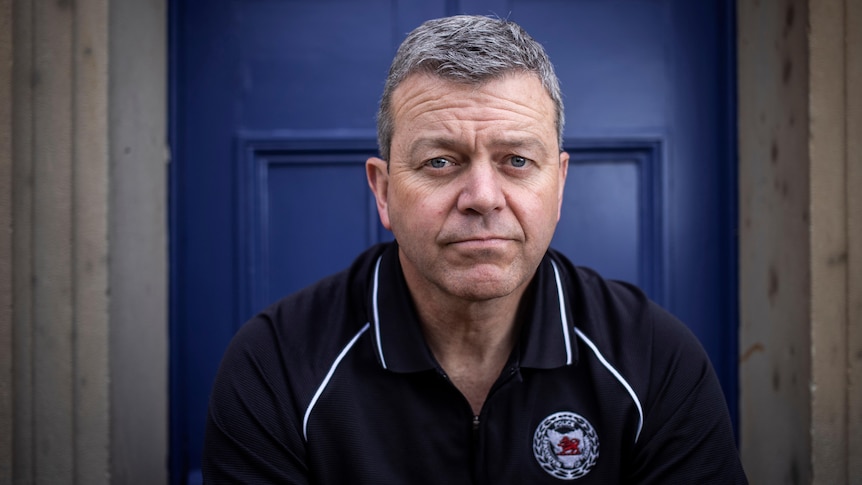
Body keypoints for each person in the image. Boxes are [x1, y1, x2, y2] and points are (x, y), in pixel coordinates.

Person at [202, 15, 747, 484]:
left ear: (558, 186)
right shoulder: (275, 367)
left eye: (516, 160)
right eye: (440, 162)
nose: (483, 198)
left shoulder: (654, 360)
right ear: (383, 191)